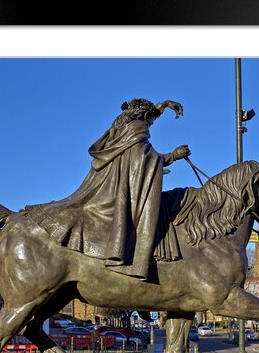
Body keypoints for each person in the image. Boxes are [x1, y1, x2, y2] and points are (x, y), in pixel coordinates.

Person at [23, 98, 191, 281]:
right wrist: (173, 156)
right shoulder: (138, 128)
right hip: (118, 191)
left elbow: (141, 138)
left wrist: (164, 105)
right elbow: (143, 158)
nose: (150, 125)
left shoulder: (122, 125)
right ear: (144, 117)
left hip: (108, 184)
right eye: (150, 121)